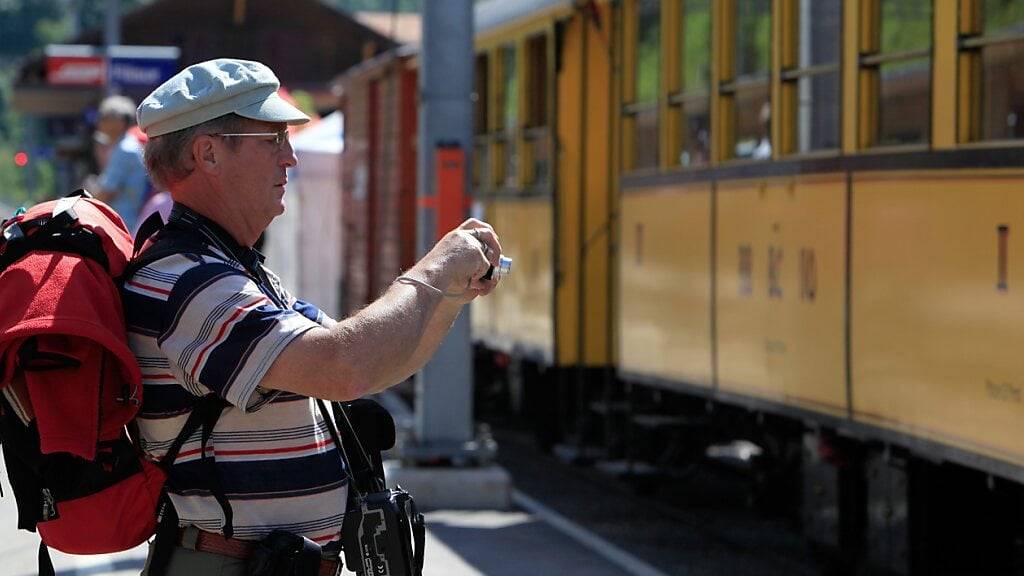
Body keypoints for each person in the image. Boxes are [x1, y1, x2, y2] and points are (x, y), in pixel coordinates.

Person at [125, 58, 502, 576]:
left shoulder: (231, 269)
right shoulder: (187, 284)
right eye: (272, 139)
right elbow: (342, 366)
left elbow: (376, 363)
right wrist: (434, 273)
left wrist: (450, 295)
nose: (291, 158)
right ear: (208, 153)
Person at [88, 94, 150, 231]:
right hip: (126, 222)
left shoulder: (124, 150)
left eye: (104, 117)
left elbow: (105, 194)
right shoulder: (125, 146)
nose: (99, 122)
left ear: (120, 122)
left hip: (123, 225)